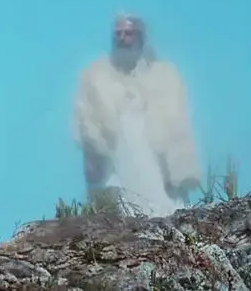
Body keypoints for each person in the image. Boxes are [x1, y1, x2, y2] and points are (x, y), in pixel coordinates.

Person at [71, 13, 201, 217]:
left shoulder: (164, 75)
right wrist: (91, 160)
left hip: (157, 160)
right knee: (122, 211)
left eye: (128, 33)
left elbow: (179, 126)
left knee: (166, 212)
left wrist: (180, 167)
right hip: (117, 160)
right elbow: (86, 123)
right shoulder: (95, 76)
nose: (122, 39)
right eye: (118, 34)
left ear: (141, 37)